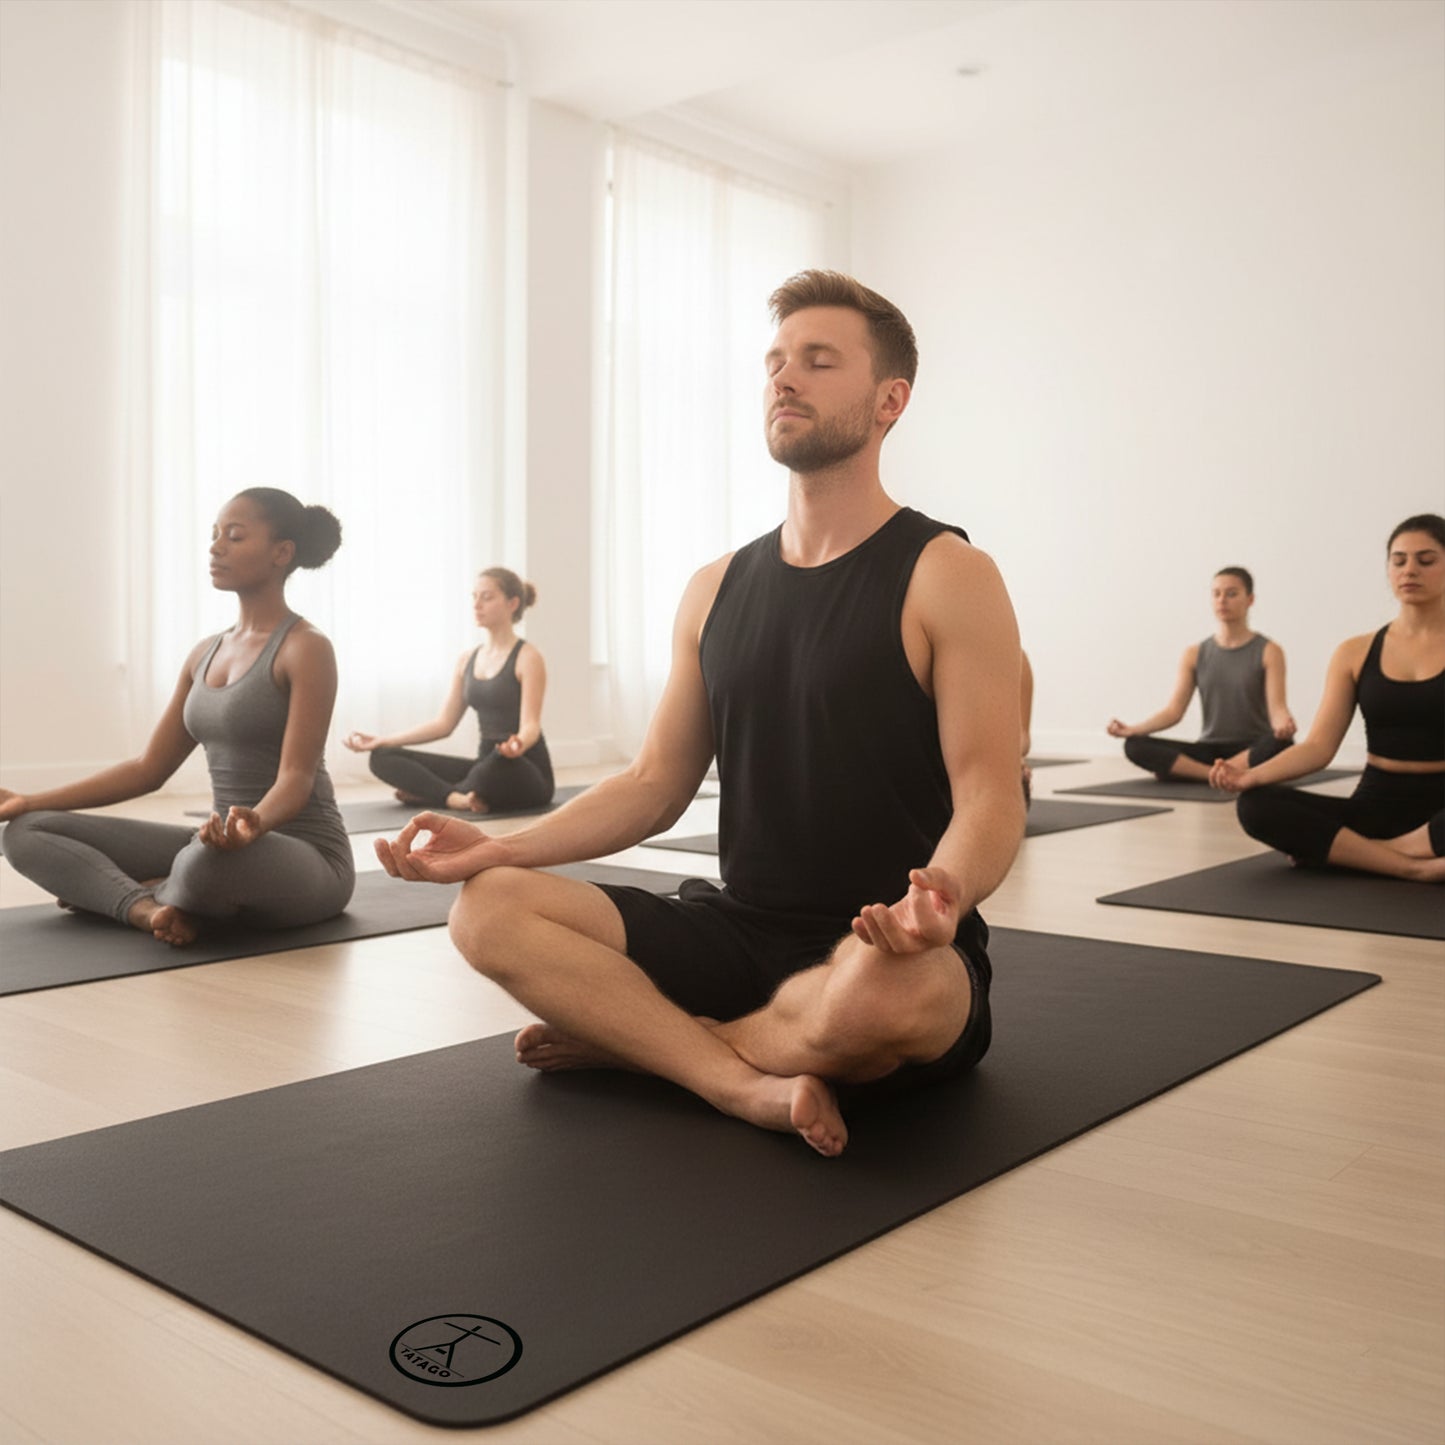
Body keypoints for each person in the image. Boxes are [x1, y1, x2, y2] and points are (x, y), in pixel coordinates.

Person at [375, 270, 1025, 1158]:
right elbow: (653, 783)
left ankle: (648, 1049)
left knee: (886, 994)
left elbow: (989, 792)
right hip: (737, 928)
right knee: (485, 910)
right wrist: (501, 848)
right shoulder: (714, 587)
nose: (783, 379)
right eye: (774, 362)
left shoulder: (947, 572)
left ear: (889, 400)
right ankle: (733, 1079)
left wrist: (941, 900)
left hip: (886, 943)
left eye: (817, 361)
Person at [0, 488, 354, 945]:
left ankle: (129, 892)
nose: (215, 546)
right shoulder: (204, 653)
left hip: (304, 853)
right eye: (214, 534)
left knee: (203, 864)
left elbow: (296, 778)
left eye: (235, 536)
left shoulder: (306, 647)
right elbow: (148, 770)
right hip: (219, 842)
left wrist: (253, 826)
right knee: (26, 833)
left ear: (281, 553)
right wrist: (29, 800)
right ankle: (147, 909)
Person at [1211, 514, 1445, 883]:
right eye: (1398, 561)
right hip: (1375, 806)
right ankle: (1410, 865)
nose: (1409, 570)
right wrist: (1249, 777)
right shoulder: (1354, 651)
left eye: (1426, 560)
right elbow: (1320, 746)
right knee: (1256, 806)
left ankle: (1364, 853)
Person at [344, 569, 553, 815]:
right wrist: (383, 740)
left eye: (486, 597)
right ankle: (456, 797)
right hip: (484, 765)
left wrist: (518, 743)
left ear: (512, 603)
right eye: (474, 597)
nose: (476, 604)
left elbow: (531, 726)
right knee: (382, 757)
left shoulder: (528, 657)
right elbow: (443, 724)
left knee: (493, 767)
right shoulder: (467, 660)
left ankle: (433, 794)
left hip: (521, 768)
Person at [1106, 567, 1296, 782]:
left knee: (1283, 744)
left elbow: (1277, 708)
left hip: (1251, 748)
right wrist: (1133, 729)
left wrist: (1283, 725)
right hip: (1208, 750)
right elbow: (1173, 711)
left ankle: (1210, 772)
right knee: (1135, 745)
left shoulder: (1269, 650)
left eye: (1231, 593)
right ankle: (1215, 775)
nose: (1222, 600)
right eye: (1216, 594)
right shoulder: (1194, 653)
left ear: (1250, 599)